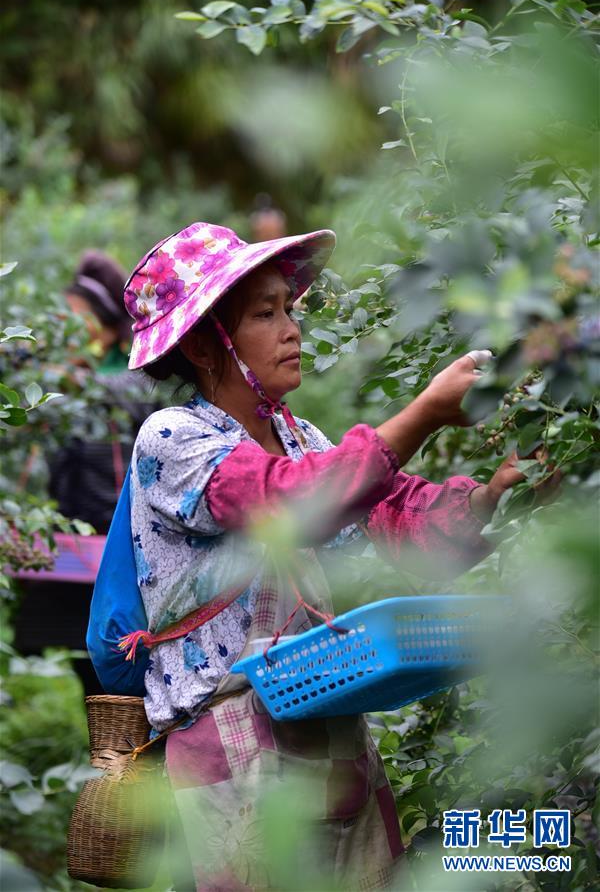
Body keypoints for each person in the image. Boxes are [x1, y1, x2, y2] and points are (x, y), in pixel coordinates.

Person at [88, 222, 532, 891]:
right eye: (265, 314)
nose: (292, 328)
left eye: (288, 309)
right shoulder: (173, 438)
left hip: (325, 731)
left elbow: (394, 516)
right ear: (209, 345)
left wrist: (490, 498)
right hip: (230, 748)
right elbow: (291, 504)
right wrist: (426, 413)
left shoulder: (299, 437)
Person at [48, 250, 156, 533]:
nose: (65, 332)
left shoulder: (136, 376)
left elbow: (122, 391)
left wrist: (69, 380)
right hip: (67, 534)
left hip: (119, 531)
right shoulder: (68, 382)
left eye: (77, 320)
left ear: (108, 330)